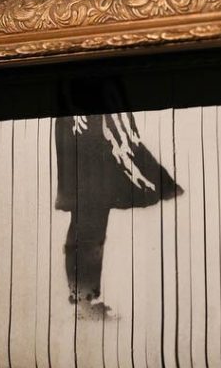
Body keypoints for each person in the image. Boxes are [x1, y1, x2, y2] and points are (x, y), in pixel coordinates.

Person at [55, 110, 182, 319]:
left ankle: (83, 298)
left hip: (84, 123)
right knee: (89, 210)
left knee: (89, 210)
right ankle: (83, 299)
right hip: (86, 123)